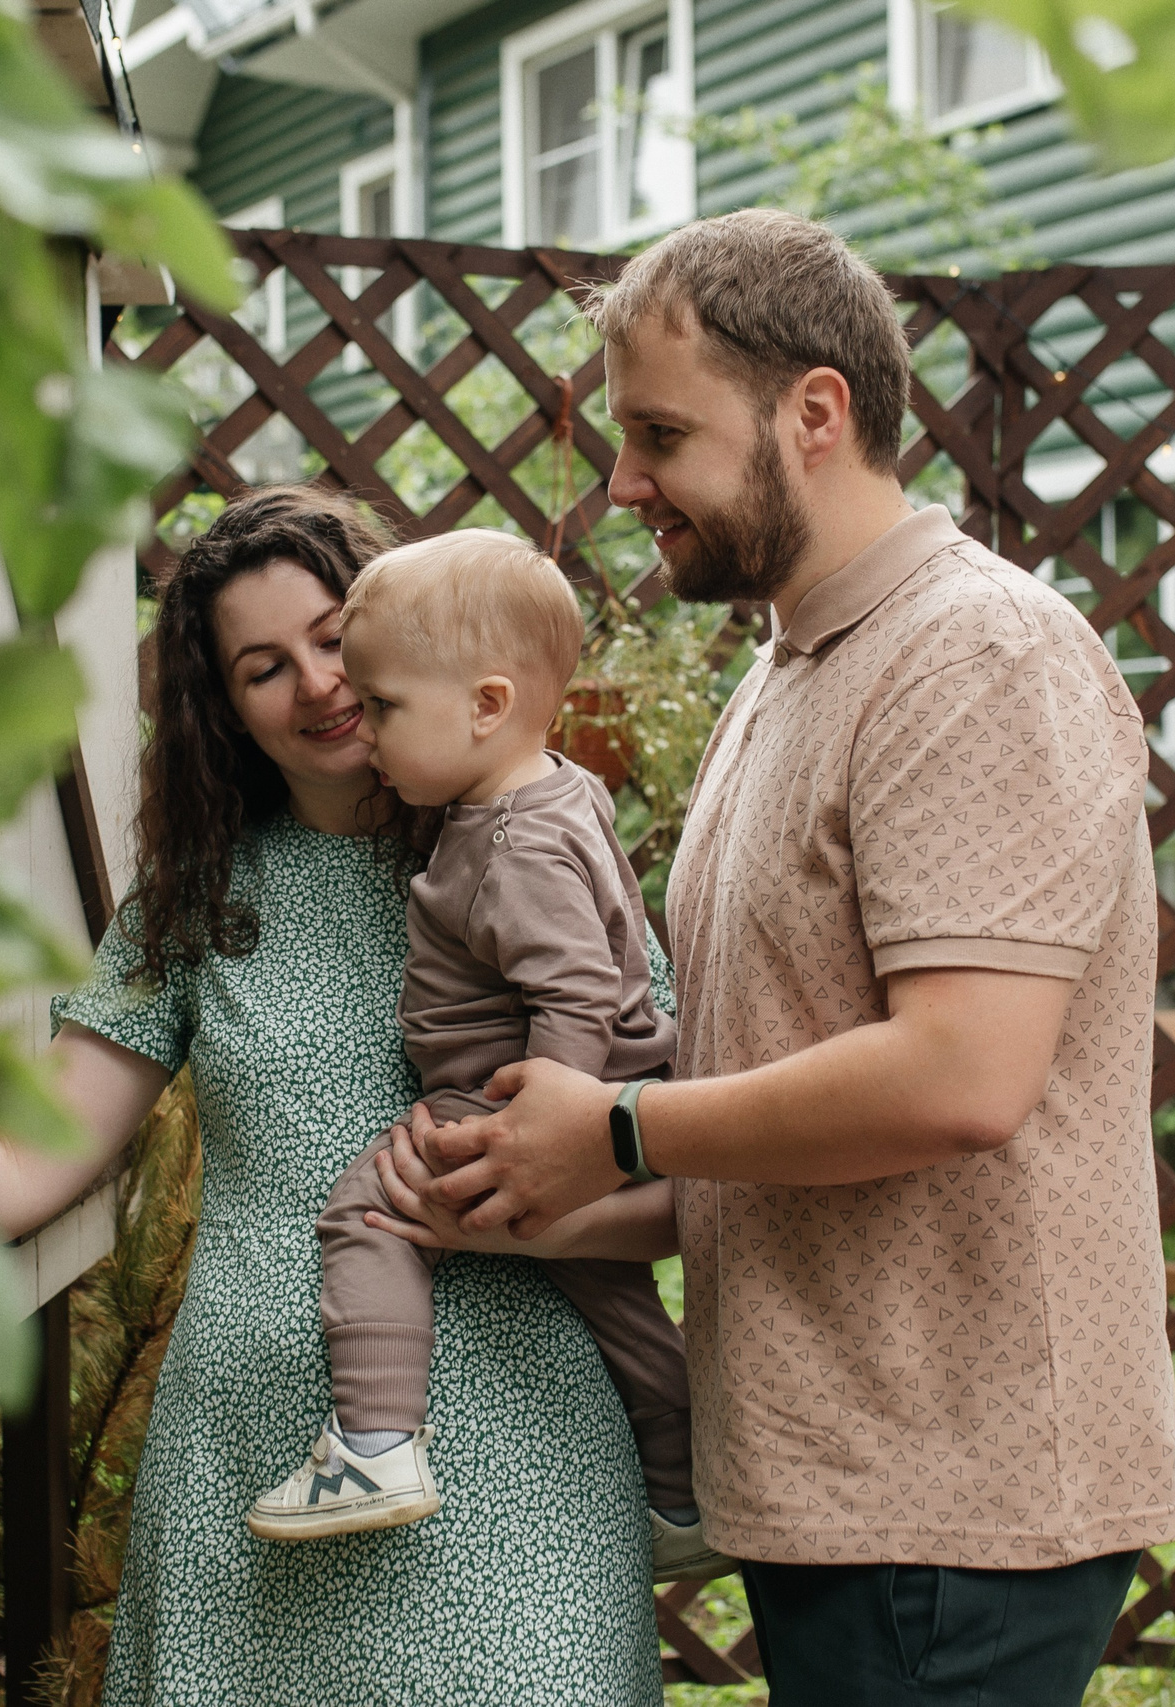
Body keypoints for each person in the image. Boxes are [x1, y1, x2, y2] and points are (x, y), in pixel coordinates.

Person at [371, 209, 1175, 1706]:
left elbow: (960, 1076)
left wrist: (608, 1125)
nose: (622, 483)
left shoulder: (975, 654)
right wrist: (537, 1201)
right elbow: (777, 1116)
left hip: (954, 1492)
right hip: (847, 1479)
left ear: (816, 411)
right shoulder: (796, 662)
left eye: (659, 433)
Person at [0, 486, 662, 1705]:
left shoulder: (535, 848)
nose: (316, 684)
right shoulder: (198, 903)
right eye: (263, 667)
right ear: (224, 712)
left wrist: (499, 1213)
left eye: (330, 634)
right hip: (251, 1487)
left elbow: (670, 1179)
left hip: (517, 1476)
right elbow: (11, 1170)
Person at [246, 529, 723, 1584]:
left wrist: (540, 1136)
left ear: (486, 706)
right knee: (617, 1304)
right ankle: (687, 1493)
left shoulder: (508, 845)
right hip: (596, 1098)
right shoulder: (555, 792)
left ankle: (372, 1447)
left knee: (369, 1213)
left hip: (516, 1099)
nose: (361, 728)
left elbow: (576, 991)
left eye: (382, 708)